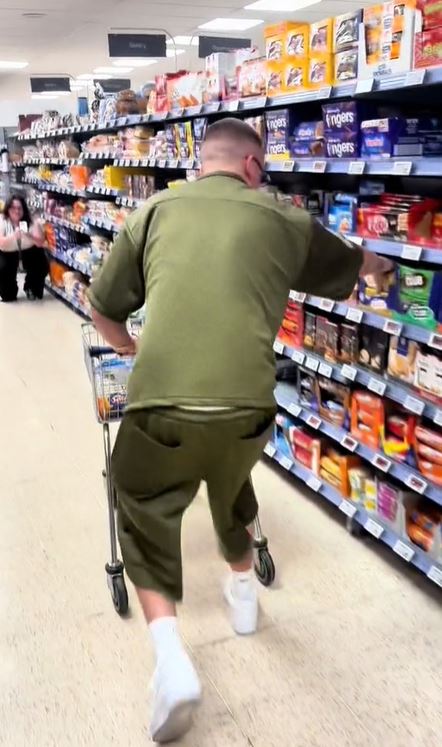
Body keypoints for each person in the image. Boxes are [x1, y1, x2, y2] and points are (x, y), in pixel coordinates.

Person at [88, 118, 393, 743]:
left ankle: (172, 658)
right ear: (254, 167)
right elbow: (360, 263)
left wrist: (133, 345)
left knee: (143, 503)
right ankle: (243, 593)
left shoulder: (154, 211)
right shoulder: (282, 218)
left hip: (161, 405)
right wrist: (385, 268)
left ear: (204, 162)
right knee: (230, 487)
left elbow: (103, 307)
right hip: (248, 406)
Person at [0, 194, 48, 302]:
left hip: (29, 249)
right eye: (13, 208)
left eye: (19, 208)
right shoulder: (2, 220)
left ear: (24, 209)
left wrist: (28, 235)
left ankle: (31, 288)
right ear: (8, 209)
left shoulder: (31, 220)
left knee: (41, 265)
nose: (17, 211)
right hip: (7, 251)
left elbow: (40, 242)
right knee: (8, 294)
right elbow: (1, 243)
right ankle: (9, 291)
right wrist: (13, 237)